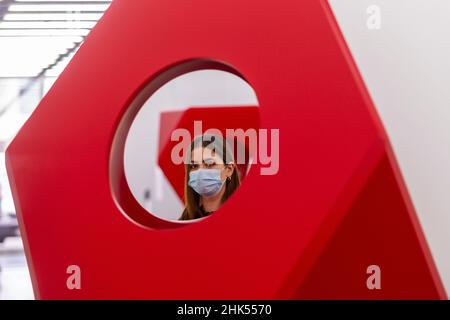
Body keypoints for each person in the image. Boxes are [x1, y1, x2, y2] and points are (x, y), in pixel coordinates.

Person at [179, 134, 240, 221]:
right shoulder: (180, 225)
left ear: (229, 169)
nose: (200, 171)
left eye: (209, 164)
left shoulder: (245, 220)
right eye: (194, 166)